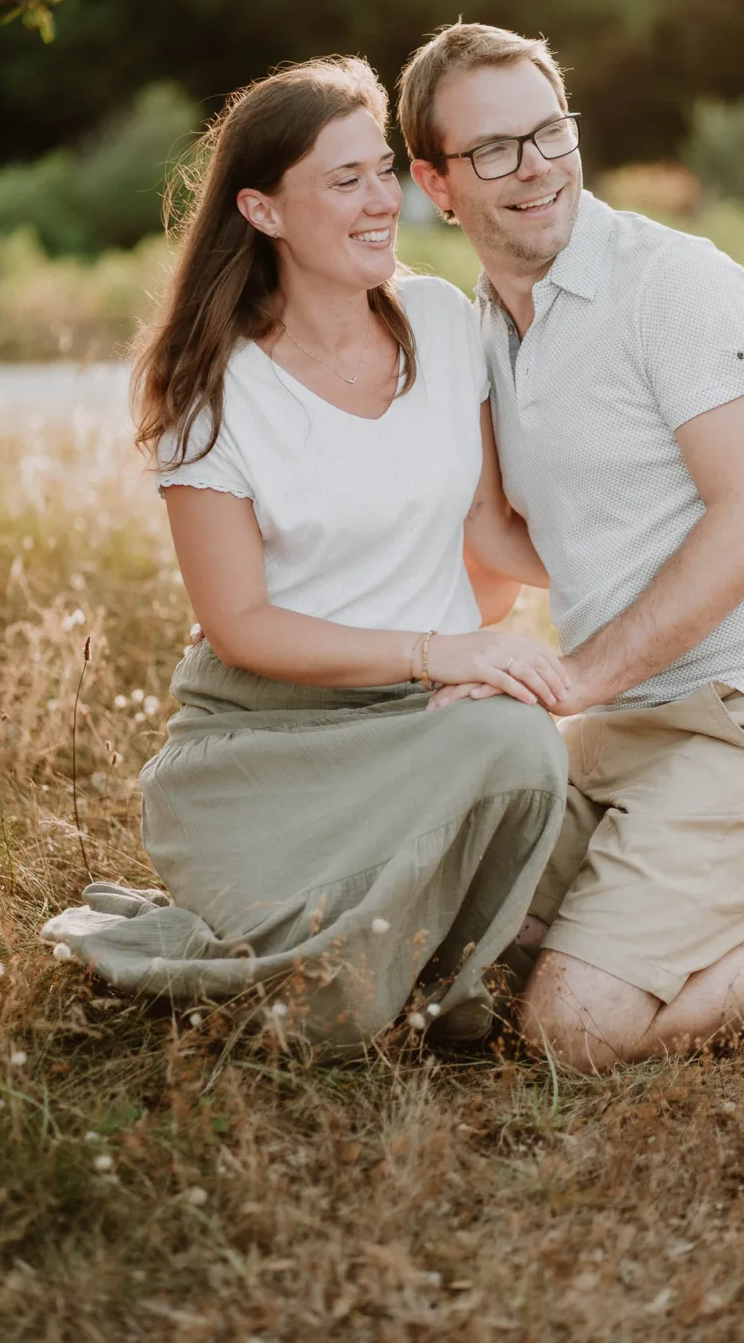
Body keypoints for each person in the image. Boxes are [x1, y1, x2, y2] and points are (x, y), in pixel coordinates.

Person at [396, 22, 744, 1072]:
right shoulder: (478, 321)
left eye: (548, 131)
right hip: (627, 728)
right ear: (435, 181)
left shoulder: (672, 285)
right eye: (494, 150)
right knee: (451, 965)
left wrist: (577, 675)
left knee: (570, 1035)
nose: (536, 166)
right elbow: (503, 537)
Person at [41, 56, 572, 1051]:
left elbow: (490, 536)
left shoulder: (446, 325)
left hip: (431, 723)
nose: (381, 202)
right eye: (344, 181)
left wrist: (648, 555)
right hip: (275, 741)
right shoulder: (210, 391)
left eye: (382, 171)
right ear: (264, 209)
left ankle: (438, 973)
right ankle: (429, 969)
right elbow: (241, 625)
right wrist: (437, 650)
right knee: (297, 979)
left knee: (519, 742)